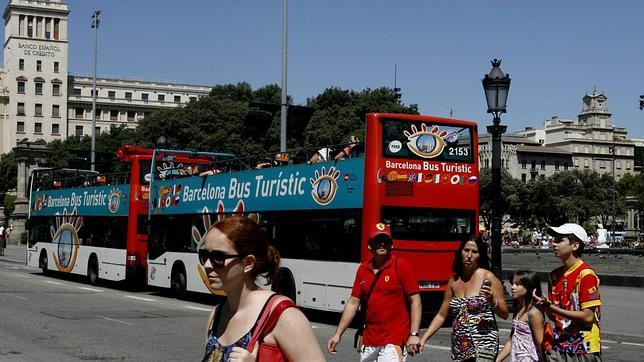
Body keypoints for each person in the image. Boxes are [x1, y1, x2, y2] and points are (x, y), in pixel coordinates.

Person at [201, 216, 324, 362]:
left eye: (218, 257)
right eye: (204, 255)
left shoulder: (282, 314)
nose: (207, 265)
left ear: (248, 263)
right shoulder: (217, 314)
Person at [327, 222, 422, 361]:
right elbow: (353, 303)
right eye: (378, 241)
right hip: (369, 340)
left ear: (392, 245)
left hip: (394, 339)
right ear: (370, 245)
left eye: (385, 241)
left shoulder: (401, 266)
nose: (382, 244)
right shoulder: (363, 269)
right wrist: (338, 334)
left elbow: (416, 301)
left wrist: (414, 333)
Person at [420, 235, 509, 361]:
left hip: (483, 347)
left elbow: (505, 313)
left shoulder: (488, 277)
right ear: (460, 252)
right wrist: (424, 338)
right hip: (460, 347)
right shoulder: (454, 281)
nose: (469, 255)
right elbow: (441, 315)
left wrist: (491, 301)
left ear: (480, 255)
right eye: (466, 250)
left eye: (474, 252)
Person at [532, 223, 602, 361]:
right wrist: (545, 308)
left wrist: (552, 308)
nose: (553, 244)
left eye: (559, 240)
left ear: (575, 246)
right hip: (559, 344)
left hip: (583, 347)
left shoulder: (586, 275)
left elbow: (588, 317)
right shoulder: (554, 276)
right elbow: (556, 316)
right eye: (554, 240)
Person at [497, 270, 545, 362]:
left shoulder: (534, 313)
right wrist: (498, 359)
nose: (512, 287)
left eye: (518, 284)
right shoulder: (518, 309)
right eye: (512, 283)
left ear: (529, 287)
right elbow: (513, 338)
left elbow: (541, 344)